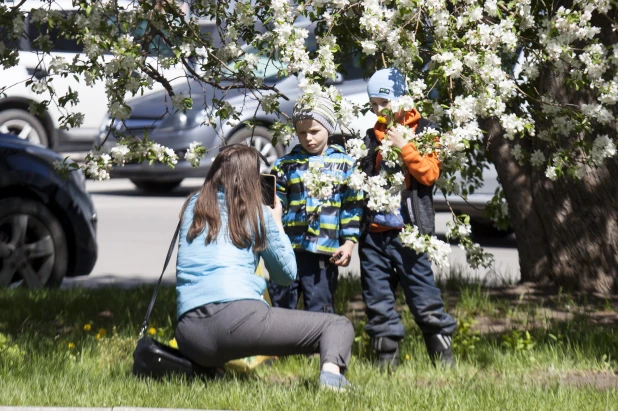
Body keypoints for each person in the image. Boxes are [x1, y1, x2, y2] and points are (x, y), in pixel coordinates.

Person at [174, 144, 354, 391]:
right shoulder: (257, 213)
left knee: (216, 346)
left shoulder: (193, 206)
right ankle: (332, 380)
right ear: (252, 180)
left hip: (189, 332)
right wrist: (277, 223)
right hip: (240, 320)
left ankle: (210, 369)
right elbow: (286, 276)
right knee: (337, 325)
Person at [357, 68, 457, 370]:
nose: (377, 112)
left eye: (382, 104)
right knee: (377, 301)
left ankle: (444, 362)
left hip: (409, 233)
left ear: (399, 99)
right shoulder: (373, 134)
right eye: (373, 105)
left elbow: (428, 174)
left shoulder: (426, 130)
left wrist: (404, 146)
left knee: (424, 298)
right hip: (375, 235)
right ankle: (385, 363)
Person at [267, 96, 364, 314]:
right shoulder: (286, 164)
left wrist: (348, 243)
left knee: (320, 309)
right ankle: (282, 348)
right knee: (281, 309)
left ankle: (317, 349)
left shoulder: (345, 164)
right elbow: (275, 201)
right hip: (288, 250)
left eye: (314, 131)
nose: (308, 138)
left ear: (328, 129)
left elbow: (352, 207)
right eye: (302, 133)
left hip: (324, 252)